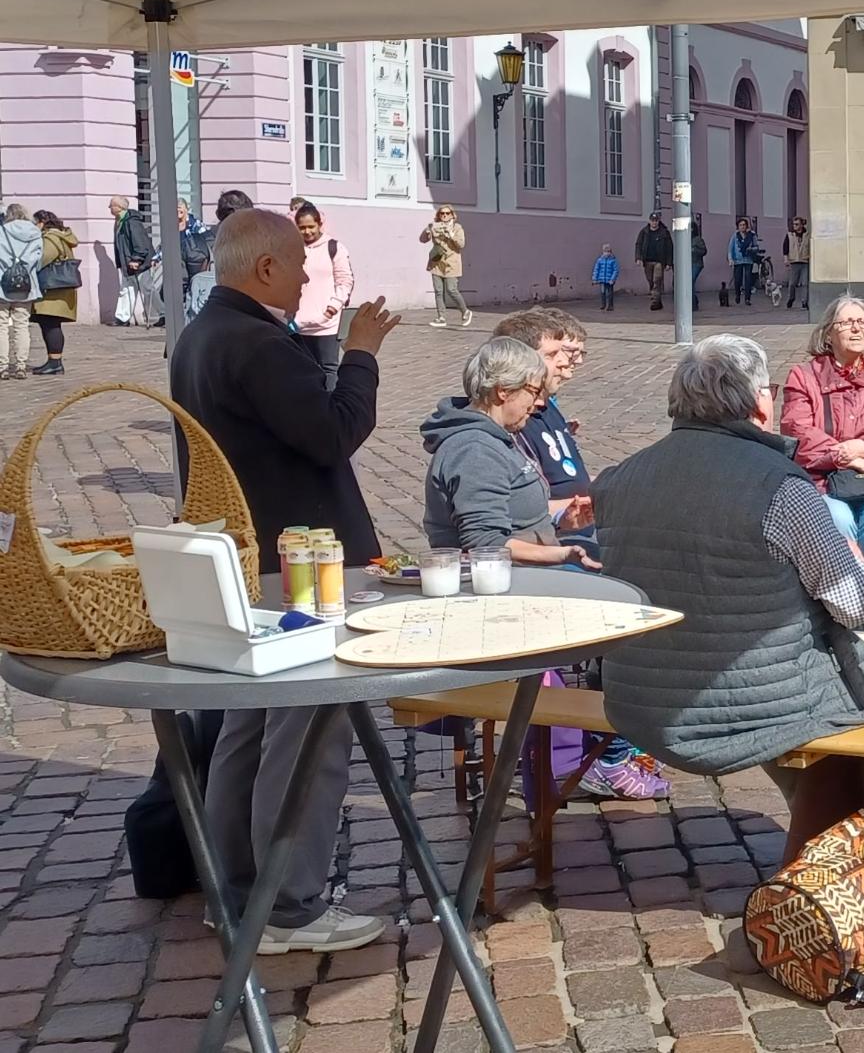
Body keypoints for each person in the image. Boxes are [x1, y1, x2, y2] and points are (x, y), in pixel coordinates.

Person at [596, 335, 864, 856]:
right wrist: (859, 560)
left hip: (639, 698)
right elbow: (860, 607)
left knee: (835, 702)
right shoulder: (781, 487)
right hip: (752, 704)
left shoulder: (619, 479)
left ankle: (842, 835)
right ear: (760, 402)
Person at [169, 206, 399, 955]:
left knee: (250, 722)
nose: (308, 278)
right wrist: (360, 353)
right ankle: (289, 903)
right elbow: (333, 433)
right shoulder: (255, 343)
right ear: (264, 266)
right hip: (297, 559)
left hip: (248, 553)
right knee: (307, 729)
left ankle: (236, 893)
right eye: (299, 266)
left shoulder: (203, 334)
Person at [420, 337, 599, 569]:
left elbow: (512, 519)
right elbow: (484, 542)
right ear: (503, 391)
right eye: (534, 392)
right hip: (505, 581)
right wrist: (562, 554)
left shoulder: (499, 435)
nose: (537, 404)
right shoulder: (475, 449)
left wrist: (557, 522)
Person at [780, 296, 864, 574]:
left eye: (862, 322)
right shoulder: (803, 378)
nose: (856, 329)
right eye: (847, 322)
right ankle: (842, 596)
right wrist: (853, 458)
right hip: (821, 479)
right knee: (838, 519)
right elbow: (798, 433)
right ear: (828, 333)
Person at [496, 308, 600, 560]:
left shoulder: (545, 407)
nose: (566, 363)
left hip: (572, 530)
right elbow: (493, 531)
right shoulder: (511, 423)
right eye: (555, 354)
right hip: (549, 546)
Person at [292, 203, 354, 390]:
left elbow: (345, 281)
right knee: (303, 369)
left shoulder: (334, 248)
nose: (307, 231)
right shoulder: (292, 248)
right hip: (298, 324)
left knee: (328, 368)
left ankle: (331, 408)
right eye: (302, 227)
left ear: (320, 224)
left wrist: (332, 308)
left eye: (311, 226)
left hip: (327, 324)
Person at [187, 190, 253, 319]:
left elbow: (177, 286)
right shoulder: (258, 244)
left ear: (218, 214)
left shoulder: (195, 242)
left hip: (203, 324)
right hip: (243, 321)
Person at [28, 210, 75, 375]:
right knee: (50, 324)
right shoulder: (60, 236)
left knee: (50, 324)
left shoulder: (51, 238)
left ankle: (55, 362)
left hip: (54, 290)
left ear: (42, 222)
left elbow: (41, 260)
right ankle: (53, 360)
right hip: (58, 289)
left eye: (35, 223)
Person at [0, 204, 44, 380]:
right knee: (22, 325)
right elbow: (38, 259)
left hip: (2, 283)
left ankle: (2, 366)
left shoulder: (2, 231)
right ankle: (20, 365)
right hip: (26, 284)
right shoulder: (35, 232)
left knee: (2, 326)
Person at [420, 204, 471, 328]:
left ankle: (465, 311)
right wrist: (426, 232)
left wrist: (451, 234)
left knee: (451, 289)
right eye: (442, 213)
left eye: (447, 213)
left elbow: (461, 244)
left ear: (452, 215)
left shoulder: (457, 228)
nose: (444, 215)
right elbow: (422, 240)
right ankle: (441, 317)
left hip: (451, 264)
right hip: (436, 262)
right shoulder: (434, 226)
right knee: (438, 291)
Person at [109, 195, 157, 328]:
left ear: (119, 208)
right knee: (127, 289)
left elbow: (139, 242)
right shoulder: (120, 221)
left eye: (111, 205)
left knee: (147, 289)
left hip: (139, 262)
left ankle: (162, 313)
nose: (109, 208)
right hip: (128, 262)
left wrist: (137, 259)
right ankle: (122, 318)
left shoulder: (131, 222)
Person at [177, 199, 214, 303]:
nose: (178, 210)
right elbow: (166, 243)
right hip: (180, 258)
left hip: (196, 258)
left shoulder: (195, 224)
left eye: (180, 207)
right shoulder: (172, 225)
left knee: (195, 284)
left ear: (186, 209)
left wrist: (207, 254)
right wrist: (157, 258)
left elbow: (209, 239)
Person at [635, 212, 672, 311]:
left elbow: (669, 248)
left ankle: (654, 302)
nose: (654, 223)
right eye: (652, 220)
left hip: (659, 261)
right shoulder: (644, 232)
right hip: (647, 261)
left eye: (656, 221)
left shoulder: (664, 233)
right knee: (650, 281)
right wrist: (638, 258)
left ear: (658, 221)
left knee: (657, 280)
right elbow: (638, 244)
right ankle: (658, 300)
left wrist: (669, 263)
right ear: (649, 221)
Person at [728, 216, 760, 307]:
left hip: (748, 260)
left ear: (747, 226)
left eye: (744, 225)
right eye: (740, 225)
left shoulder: (751, 235)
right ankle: (737, 294)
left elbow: (756, 247)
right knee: (737, 279)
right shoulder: (735, 236)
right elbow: (730, 249)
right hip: (737, 260)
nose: (742, 227)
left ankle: (747, 298)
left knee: (748, 279)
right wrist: (731, 259)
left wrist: (751, 249)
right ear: (738, 226)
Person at [783, 216, 811, 310]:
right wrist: (786, 259)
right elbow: (785, 247)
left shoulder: (807, 235)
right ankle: (791, 298)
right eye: (794, 224)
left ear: (802, 225)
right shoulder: (790, 235)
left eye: (797, 224)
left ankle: (804, 302)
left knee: (804, 283)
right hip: (794, 261)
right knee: (792, 283)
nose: (794, 226)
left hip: (805, 261)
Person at [686, 215, 707, 310]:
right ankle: (693, 300)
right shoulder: (685, 239)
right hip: (688, 263)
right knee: (689, 282)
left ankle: (693, 303)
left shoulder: (698, 239)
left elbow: (704, 251)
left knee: (690, 281)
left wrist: (694, 250)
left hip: (697, 263)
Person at [593, 244, 619, 312]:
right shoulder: (600, 260)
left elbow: (615, 270)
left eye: (608, 251)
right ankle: (603, 305)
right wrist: (595, 278)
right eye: (605, 251)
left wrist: (612, 279)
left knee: (610, 293)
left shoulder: (613, 260)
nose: (607, 253)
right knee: (603, 292)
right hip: (602, 280)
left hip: (610, 280)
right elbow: (596, 269)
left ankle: (610, 306)